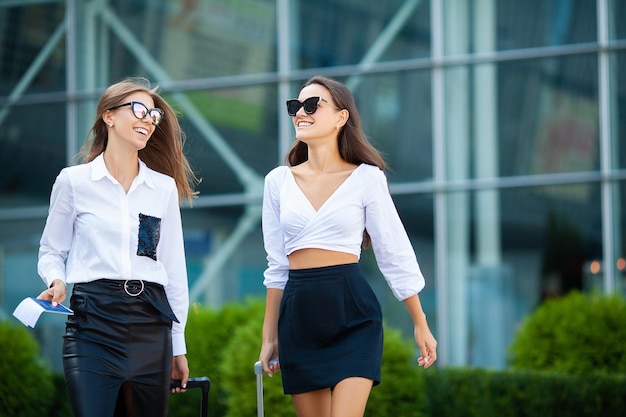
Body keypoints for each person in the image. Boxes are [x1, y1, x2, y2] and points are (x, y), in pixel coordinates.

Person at [258, 75, 437, 417]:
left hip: (353, 315)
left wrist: (420, 322)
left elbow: (393, 251)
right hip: (299, 317)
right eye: (295, 106)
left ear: (341, 117)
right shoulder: (277, 182)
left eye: (313, 105)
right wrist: (269, 337)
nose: (301, 112)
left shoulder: (367, 178)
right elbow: (277, 267)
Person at [36, 77, 198, 417]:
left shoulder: (163, 188)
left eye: (154, 115)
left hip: (151, 326)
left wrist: (178, 345)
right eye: (139, 110)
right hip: (92, 323)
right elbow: (52, 250)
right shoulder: (74, 181)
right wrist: (57, 280)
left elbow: (173, 270)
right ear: (109, 116)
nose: (148, 119)